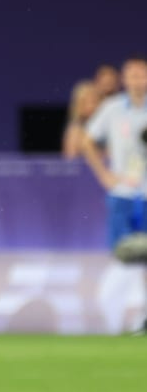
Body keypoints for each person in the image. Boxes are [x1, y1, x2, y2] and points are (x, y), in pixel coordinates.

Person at [82, 55, 147, 249]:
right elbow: (86, 141)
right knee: (121, 255)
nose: (137, 81)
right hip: (122, 192)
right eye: (133, 76)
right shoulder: (112, 108)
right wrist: (104, 175)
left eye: (142, 75)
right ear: (124, 79)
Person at [63, 64, 120, 159]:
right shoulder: (76, 129)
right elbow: (71, 158)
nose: (91, 106)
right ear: (79, 106)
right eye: (86, 102)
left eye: (94, 101)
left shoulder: (111, 124)